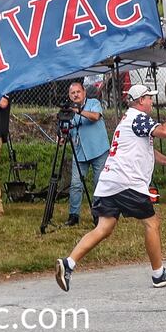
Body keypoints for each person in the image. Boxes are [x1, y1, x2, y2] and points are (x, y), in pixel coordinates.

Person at [55, 84, 166, 291]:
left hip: (110, 182)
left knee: (104, 228)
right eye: (149, 98)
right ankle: (159, 274)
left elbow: (144, 149)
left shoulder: (129, 119)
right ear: (140, 100)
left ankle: (68, 263)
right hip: (127, 182)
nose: (152, 101)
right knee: (152, 223)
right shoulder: (138, 118)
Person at [65, 79, 109, 227]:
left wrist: (80, 111)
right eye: (73, 93)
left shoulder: (93, 103)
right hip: (79, 152)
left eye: (78, 92)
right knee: (76, 184)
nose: (76, 95)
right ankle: (73, 216)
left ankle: (98, 215)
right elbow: (66, 130)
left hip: (98, 150)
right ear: (69, 96)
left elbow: (96, 117)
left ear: (84, 92)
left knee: (99, 183)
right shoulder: (68, 110)